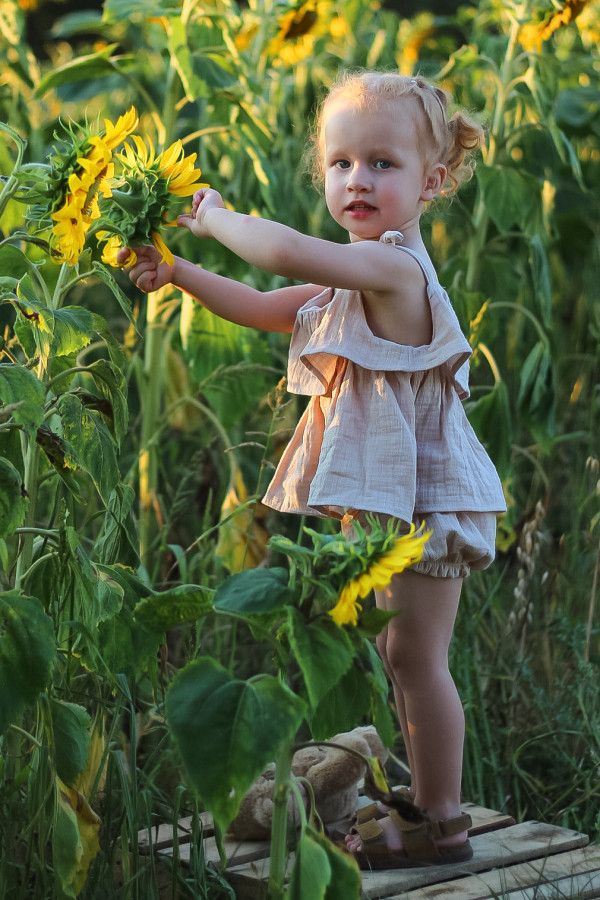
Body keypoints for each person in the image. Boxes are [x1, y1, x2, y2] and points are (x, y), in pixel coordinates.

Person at [119, 71, 506, 868]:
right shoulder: (354, 273)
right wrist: (182, 274)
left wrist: (214, 218)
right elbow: (268, 307)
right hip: (390, 502)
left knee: (419, 657)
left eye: (382, 163)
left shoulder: (395, 271)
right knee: (398, 653)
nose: (356, 178)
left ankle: (443, 819)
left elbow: (286, 250)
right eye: (340, 163)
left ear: (431, 181)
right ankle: (422, 804)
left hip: (427, 499)